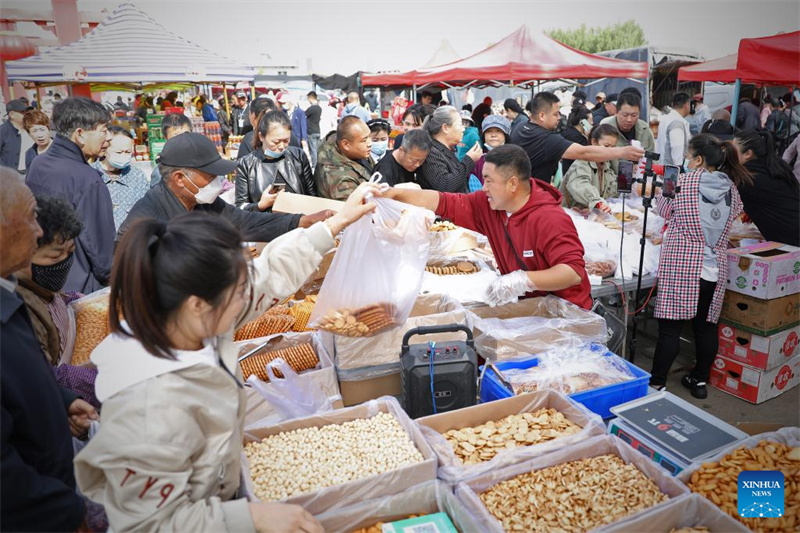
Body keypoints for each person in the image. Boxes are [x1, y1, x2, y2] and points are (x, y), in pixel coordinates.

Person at [75, 182, 382, 533]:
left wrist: (334, 224)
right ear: (198, 304)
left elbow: (266, 276)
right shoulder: (148, 404)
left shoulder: (192, 323)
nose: (248, 299)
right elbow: (149, 525)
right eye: (239, 292)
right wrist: (250, 517)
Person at [0, 169, 97, 531]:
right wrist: (65, 510)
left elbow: (21, 376)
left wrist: (60, 398)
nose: (38, 231)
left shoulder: (9, 294)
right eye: (28, 220)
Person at [387, 144, 591, 308]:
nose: (483, 188)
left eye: (488, 181)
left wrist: (521, 280)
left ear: (512, 184)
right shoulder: (490, 205)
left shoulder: (549, 217)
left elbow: (572, 272)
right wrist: (395, 195)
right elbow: (445, 201)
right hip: (529, 309)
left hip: (566, 313)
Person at [649, 134, 751, 398]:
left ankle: (657, 383)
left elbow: (664, 211)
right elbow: (734, 215)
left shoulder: (679, 182)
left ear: (698, 159)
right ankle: (699, 379)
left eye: (688, 154)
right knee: (705, 326)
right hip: (714, 267)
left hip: (683, 263)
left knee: (670, 327)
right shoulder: (731, 187)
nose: (685, 159)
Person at [120, 133, 326, 241]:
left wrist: (301, 220)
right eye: (210, 176)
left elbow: (246, 222)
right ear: (180, 178)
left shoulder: (205, 204)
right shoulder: (145, 220)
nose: (216, 183)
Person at [25, 97, 115, 294]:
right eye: (104, 130)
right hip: (81, 287)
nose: (109, 137)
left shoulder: (39, 163)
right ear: (80, 135)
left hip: (42, 276)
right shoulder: (87, 178)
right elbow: (100, 250)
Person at [512, 92, 644, 183]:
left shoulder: (520, 127)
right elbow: (584, 152)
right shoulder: (547, 139)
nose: (559, 118)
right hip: (531, 200)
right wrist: (622, 151)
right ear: (542, 115)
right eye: (556, 114)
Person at [236, 110, 316, 211]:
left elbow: (312, 195)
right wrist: (260, 205)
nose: (282, 146)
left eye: (286, 141)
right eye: (276, 142)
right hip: (264, 224)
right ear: (261, 137)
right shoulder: (246, 164)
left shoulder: (299, 156)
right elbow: (240, 207)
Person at [734, 130, 800, 246]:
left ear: (748, 154)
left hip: (792, 244)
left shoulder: (747, 179)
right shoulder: (776, 166)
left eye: (732, 151)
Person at [91, 127, 150, 231]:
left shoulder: (137, 177)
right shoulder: (90, 174)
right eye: (118, 152)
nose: (124, 156)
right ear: (104, 150)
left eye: (127, 152)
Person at [415, 106, 482, 193]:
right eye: (460, 124)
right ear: (445, 128)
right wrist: (469, 160)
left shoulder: (446, 149)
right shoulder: (431, 152)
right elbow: (445, 185)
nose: (463, 129)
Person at [559, 124, 620, 212]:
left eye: (613, 147)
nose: (610, 151)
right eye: (606, 146)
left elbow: (612, 190)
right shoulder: (582, 163)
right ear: (594, 142)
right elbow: (580, 184)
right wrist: (597, 202)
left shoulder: (605, 166)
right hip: (571, 216)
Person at [315, 116, 374, 200]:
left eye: (369, 136)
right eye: (364, 140)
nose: (370, 143)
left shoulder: (356, 151)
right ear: (346, 144)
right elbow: (355, 208)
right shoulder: (339, 177)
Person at [600, 92, 655, 171]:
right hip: (612, 179)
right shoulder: (605, 127)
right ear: (616, 112)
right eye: (625, 115)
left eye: (634, 115)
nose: (629, 120)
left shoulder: (645, 129)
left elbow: (652, 158)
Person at [149, 113, 193, 188]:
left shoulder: (204, 159)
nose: (182, 138)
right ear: (166, 138)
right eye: (176, 135)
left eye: (186, 134)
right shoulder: (160, 172)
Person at [473, 114, 512, 187]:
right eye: (489, 131)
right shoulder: (477, 161)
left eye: (498, 131)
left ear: (505, 135)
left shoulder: (514, 159)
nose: (493, 135)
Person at [656, 92, 692, 166]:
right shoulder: (677, 122)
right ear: (687, 105)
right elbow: (677, 147)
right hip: (672, 170)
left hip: (662, 165)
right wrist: (679, 168)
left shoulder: (665, 118)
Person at [0, 99, 34, 174]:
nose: (26, 114)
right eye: (22, 112)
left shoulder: (30, 128)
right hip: (11, 176)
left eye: (26, 112)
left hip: (32, 172)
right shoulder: (3, 131)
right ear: (11, 114)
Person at [560, 106, 593, 174]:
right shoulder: (573, 136)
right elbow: (585, 153)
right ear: (583, 122)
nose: (592, 123)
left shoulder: (576, 133)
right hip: (573, 172)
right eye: (591, 120)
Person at [280, 93, 309, 159]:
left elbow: (303, 126)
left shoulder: (300, 112)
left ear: (290, 102)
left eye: (284, 102)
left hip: (297, 138)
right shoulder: (283, 112)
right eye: (282, 103)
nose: (283, 105)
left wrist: (304, 139)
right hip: (286, 139)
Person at [305, 91, 322, 168]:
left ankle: (315, 166)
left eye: (308, 99)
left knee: (313, 150)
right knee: (317, 149)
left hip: (311, 131)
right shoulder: (319, 108)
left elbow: (304, 115)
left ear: (311, 98)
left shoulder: (311, 109)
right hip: (317, 130)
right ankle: (319, 163)